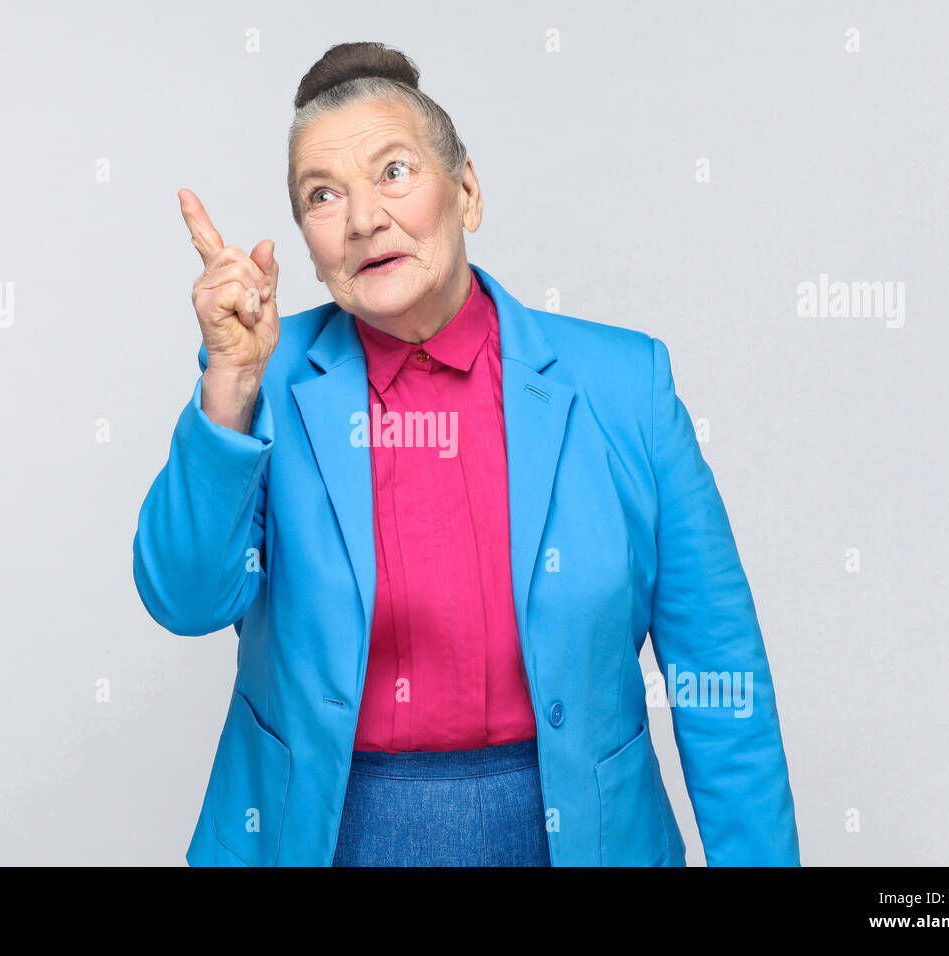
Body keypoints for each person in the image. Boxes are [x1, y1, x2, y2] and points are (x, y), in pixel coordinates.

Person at [133, 41, 801, 866]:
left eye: (395, 172)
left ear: (469, 192)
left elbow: (719, 681)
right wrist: (230, 384)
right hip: (325, 834)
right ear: (308, 241)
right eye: (323, 195)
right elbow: (185, 599)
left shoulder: (627, 385)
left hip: (578, 837)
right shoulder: (263, 384)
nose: (365, 218)